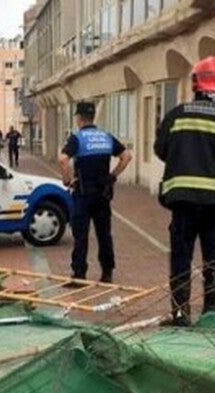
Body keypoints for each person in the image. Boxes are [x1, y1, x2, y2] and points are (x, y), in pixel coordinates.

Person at [154, 56, 215, 327]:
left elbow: (161, 148)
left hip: (183, 199)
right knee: (212, 258)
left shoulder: (177, 115)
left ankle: (180, 315)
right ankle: (210, 314)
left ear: (195, 84)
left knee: (181, 258)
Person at [58, 101, 132, 285]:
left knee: (81, 235)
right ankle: (107, 272)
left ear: (79, 118)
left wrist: (67, 180)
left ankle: (79, 275)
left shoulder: (77, 138)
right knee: (104, 234)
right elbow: (126, 157)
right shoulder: (106, 137)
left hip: (83, 193)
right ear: (92, 117)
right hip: (103, 194)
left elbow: (63, 159)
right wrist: (112, 176)